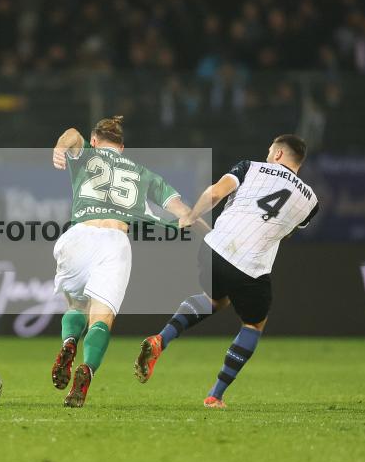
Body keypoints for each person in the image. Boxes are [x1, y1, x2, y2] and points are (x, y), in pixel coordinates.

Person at [135, 134, 319, 408]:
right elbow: (287, 231)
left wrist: (191, 215)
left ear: (279, 154)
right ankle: (215, 394)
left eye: (270, 150)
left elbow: (215, 193)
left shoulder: (249, 167)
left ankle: (161, 338)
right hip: (249, 266)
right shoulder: (312, 202)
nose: (268, 154)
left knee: (215, 299)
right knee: (254, 323)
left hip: (213, 249)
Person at [51, 115, 195, 407]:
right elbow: (180, 210)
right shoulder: (143, 172)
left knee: (77, 306)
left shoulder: (86, 155)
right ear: (122, 147)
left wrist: (59, 147)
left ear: (95, 141)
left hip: (80, 233)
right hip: (116, 240)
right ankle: (87, 369)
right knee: (102, 318)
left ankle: (68, 344)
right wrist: (190, 217)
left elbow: (72, 134)